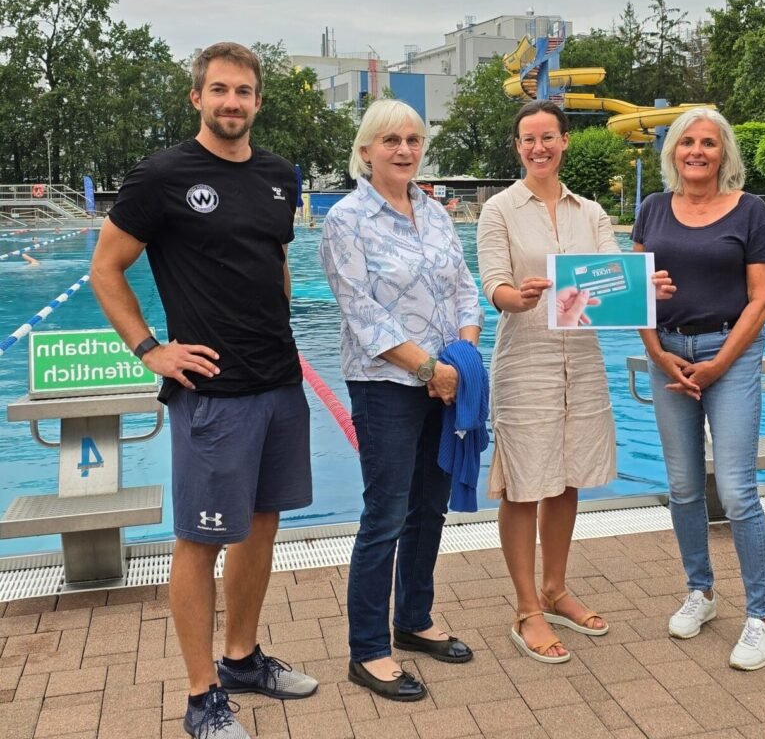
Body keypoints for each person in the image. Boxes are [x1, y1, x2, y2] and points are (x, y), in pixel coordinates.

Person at [90, 43, 317, 739]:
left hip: (279, 382)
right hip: (213, 392)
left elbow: (274, 261)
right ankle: (200, 697)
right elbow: (105, 269)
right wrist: (150, 350)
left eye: (243, 91)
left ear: (258, 101)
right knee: (200, 540)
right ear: (197, 98)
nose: (231, 102)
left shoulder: (279, 175)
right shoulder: (162, 175)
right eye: (219, 89)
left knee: (263, 523)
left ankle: (241, 658)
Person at [477, 99, 675, 663]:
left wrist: (645, 288)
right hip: (526, 361)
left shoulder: (590, 212)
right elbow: (493, 284)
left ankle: (555, 588)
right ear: (518, 147)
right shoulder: (499, 210)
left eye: (548, 137)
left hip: (581, 362)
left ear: (564, 141)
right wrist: (519, 297)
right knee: (524, 484)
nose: (538, 147)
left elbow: (613, 279)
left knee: (567, 480)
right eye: (528, 139)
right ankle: (526, 608)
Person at [318, 99, 483, 701]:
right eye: (391, 140)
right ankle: (368, 650)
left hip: (446, 382)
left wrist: (461, 359)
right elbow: (361, 311)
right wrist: (429, 369)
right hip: (385, 385)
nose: (405, 150)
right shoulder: (346, 220)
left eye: (413, 139)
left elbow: (465, 289)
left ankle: (413, 619)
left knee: (428, 508)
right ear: (366, 151)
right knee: (385, 514)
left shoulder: (434, 212)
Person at [632, 108, 765, 671]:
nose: (697, 151)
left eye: (709, 143)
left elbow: (763, 299)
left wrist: (718, 364)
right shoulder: (652, 208)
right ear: (673, 151)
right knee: (683, 486)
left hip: (730, 353)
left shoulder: (749, 211)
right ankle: (701, 590)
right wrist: (657, 354)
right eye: (686, 142)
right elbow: (636, 292)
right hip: (668, 352)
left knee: (738, 491)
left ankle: (762, 618)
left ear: (725, 154)